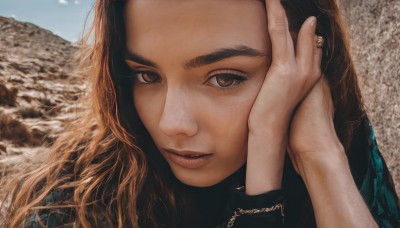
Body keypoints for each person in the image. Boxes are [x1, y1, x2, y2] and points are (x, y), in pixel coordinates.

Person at [1, 0, 399, 227]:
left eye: (225, 78)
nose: (171, 123)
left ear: (306, 66)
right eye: (146, 74)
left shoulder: (350, 150)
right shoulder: (73, 203)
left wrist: (320, 158)